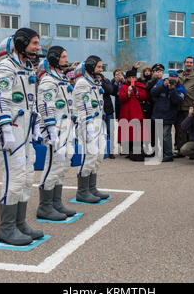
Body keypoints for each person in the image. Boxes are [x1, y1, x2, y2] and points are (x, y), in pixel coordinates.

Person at [0, 29, 44, 246]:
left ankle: (20, 223)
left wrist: (36, 125)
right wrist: (6, 128)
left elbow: (29, 101)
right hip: (6, 130)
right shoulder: (6, 67)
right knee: (15, 176)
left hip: (23, 130)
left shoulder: (26, 69)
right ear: (21, 43)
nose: (38, 47)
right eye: (34, 43)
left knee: (27, 176)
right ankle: (6, 228)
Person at [36, 46, 77, 221]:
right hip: (56, 130)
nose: (66, 60)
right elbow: (46, 106)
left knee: (62, 165)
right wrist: (51, 129)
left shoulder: (62, 80)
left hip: (66, 129)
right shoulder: (48, 81)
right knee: (52, 165)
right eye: (63, 57)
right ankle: (45, 206)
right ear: (54, 59)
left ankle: (56, 202)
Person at [72, 55, 110, 203]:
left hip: (98, 123)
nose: (101, 70)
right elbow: (83, 106)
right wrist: (88, 125)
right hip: (87, 124)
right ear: (90, 66)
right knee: (89, 156)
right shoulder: (82, 83)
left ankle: (92, 188)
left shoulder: (94, 83)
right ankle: (82, 191)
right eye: (98, 67)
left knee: (98, 156)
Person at [150, 70, 186, 162]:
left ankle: (168, 154)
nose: (172, 80)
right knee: (160, 136)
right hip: (158, 113)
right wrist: (163, 86)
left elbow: (177, 101)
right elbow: (152, 93)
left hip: (169, 115)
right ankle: (163, 153)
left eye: (175, 78)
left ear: (177, 78)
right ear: (168, 77)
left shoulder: (180, 88)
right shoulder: (162, 83)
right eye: (171, 78)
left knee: (166, 135)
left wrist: (172, 90)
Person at [118, 69, 149, 161]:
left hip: (137, 111)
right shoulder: (124, 86)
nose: (133, 79)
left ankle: (137, 150)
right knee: (127, 130)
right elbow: (121, 97)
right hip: (126, 111)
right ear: (127, 78)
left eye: (134, 77)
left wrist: (136, 92)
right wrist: (128, 92)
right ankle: (129, 150)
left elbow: (144, 96)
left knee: (137, 131)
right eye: (131, 77)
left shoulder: (140, 86)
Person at [176, 56, 194, 154]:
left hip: (191, 107)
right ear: (184, 64)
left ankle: (191, 151)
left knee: (190, 130)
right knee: (180, 129)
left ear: (193, 64)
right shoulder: (180, 76)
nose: (188, 64)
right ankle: (180, 150)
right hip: (180, 107)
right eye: (187, 62)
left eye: (191, 63)